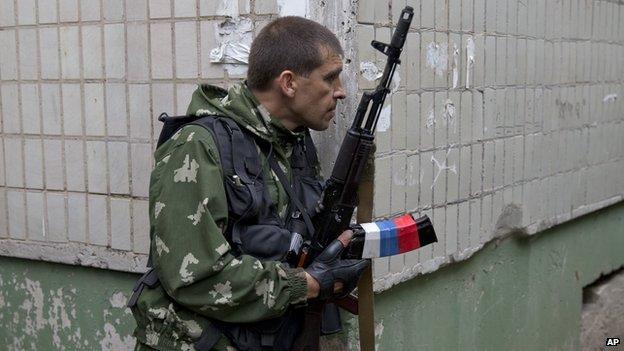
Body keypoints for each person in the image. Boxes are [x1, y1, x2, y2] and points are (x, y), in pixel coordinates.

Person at [130, 16, 369, 351]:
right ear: (288, 83)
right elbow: (194, 277)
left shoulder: (294, 141)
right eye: (330, 78)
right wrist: (307, 285)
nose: (341, 91)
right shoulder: (198, 146)